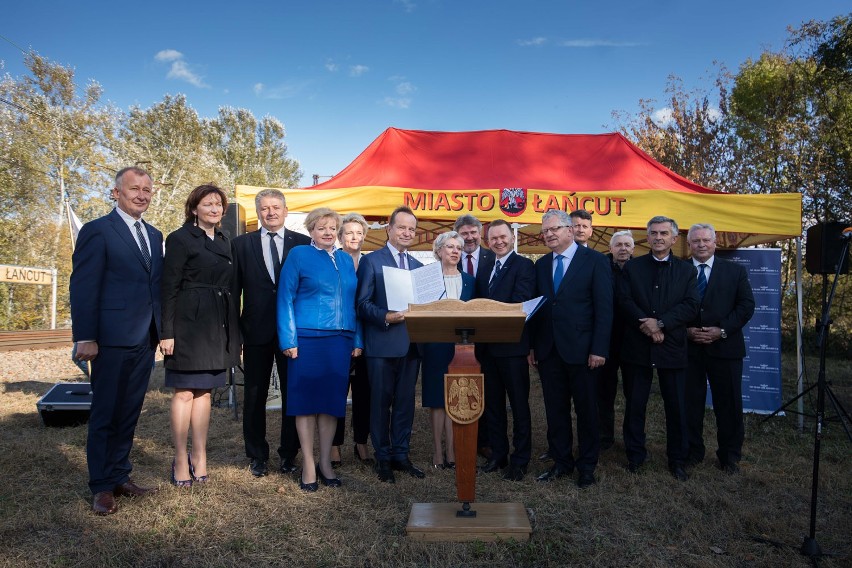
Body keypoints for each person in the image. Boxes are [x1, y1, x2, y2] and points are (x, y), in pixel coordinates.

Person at [70, 166, 162, 515]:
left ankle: (121, 475)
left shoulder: (154, 235)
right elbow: (83, 287)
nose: (141, 194)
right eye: (134, 188)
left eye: (147, 190)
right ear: (116, 193)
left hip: (144, 338)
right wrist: (86, 337)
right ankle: (102, 486)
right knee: (106, 413)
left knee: (129, 412)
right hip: (108, 340)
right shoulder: (98, 231)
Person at [160, 184, 240, 487]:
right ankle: (180, 457)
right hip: (187, 324)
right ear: (194, 209)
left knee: (204, 392)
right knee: (183, 392)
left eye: (219, 204)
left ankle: (200, 456)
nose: (215, 209)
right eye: (208, 204)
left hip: (216, 323)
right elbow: (168, 289)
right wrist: (167, 333)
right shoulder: (180, 239)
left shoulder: (224, 240)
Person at [277, 208, 362, 491]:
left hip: (341, 340)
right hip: (307, 338)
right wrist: (288, 339)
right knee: (305, 404)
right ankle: (309, 465)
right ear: (311, 230)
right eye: (321, 227)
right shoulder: (299, 255)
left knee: (330, 405)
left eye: (331, 227)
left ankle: (326, 462)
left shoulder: (345, 260)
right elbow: (285, 297)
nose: (327, 232)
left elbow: (353, 303)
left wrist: (357, 339)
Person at [529, 209, 613, 488]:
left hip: (584, 351)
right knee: (555, 410)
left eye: (554, 229)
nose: (549, 234)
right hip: (549, 350)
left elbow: (604, 309)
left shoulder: (595, 261)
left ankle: (587, 465)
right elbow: (539, 309)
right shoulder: (541, 265)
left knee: (587, 411)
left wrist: (599, 349)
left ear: (569, 230)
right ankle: (562, 462)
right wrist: (532, 346)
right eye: (545, 231)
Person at [232, 189, 310, 478]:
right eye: (264, 208)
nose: (271, 212)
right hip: (255, 331)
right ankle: (257, 455)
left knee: (294, 394)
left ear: (286, 211)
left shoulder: (302, 244)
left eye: (276, 207)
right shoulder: (241, 244)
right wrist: (236, 334)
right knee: (255, 395)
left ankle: (289, 455)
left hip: (293, 333)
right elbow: (233, 293)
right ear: (258, 213)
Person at [618, 216, 699, 481]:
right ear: (647, 238)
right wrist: (648, 326)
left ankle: (677, 459)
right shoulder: (633, 267)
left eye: (664, 233)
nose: (658, 237)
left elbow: (690, 305)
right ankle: (635, 456)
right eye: (653, 233)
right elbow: (624, 300)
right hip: (638, 347)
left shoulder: (687, 271)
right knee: (635, 405)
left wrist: (662, 323)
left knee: (676, 406)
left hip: (672, 347)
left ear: (675, 239)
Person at [356, 205, 426, 483]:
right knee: (380, 402)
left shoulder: (420, 268)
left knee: (406, 404)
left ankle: (401, 454)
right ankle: (382, 457)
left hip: (411, 346)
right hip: (382, 344)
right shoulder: (371, 261)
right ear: (389, 229)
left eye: (411, 228)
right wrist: (386, 316)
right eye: (402, 227)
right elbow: (362, 304)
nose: (407, 232)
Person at [685, 224, 755, 474]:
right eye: (696, 241)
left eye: (706, 240)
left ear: (715, 243)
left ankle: (729, 456)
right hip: (689, 349)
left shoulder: (734, 271)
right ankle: (692, 452)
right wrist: (685, 331)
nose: (701, 244)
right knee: (689, 404)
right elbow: (668, 305)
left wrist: (721, 330)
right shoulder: (679, 270)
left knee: (729, 405)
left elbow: (746, 306)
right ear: (688, 244)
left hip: (725, 348)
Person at [474, 220, 536, 481]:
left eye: (502, 237)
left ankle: (520, 459)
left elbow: (518, 303)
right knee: (493, 406)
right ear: (487, 241)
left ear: (512, 237)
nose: (498, 241)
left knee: (519, 406)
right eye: (493, 238)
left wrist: (488, 312)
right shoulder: (485, 266)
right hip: (487, 349)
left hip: (512, 348)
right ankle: (499, 455)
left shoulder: (524, 265)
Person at [421, 231, 475, 469]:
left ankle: (452, 452)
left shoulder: (471, 282)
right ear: (439, 251)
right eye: (450, 247)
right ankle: (437, 452)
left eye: (459, 248)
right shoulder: (427, 279)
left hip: (462, 348)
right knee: (437, 400)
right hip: (434, 345)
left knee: (456, 399)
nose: (455, 251)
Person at [331, 213, 374, 466]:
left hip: (367, 336)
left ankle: (361, 442)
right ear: (340, 236)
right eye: (349, 232)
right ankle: (334, 446)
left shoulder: (370, 263)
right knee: (338, 392)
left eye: (359, 233)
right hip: (339, 335)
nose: (354, 237)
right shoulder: (333, 261)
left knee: (364, 393)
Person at [452, 213, 494, 459]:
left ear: (481, 234)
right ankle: (459, 436)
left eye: (472, 232)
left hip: (487, 335)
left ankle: (485, 440)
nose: (469, 238)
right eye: (464, 233)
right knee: (460, 389)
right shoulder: (451, 257)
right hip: (457, 336)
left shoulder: (493, 258)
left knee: (485, 388)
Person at [598, 230, 635, 450]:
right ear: (610, 248)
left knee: (633, 393)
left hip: (633, 339)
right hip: (607, 340)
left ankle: (632, 439)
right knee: (604, 392)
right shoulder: (601, 266)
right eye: (618, 245)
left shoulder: (640, 269)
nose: (623, 249)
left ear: (633, 248)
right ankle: (604, 437)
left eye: (627, 245)